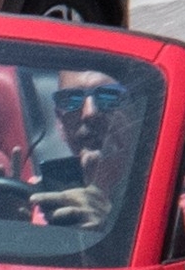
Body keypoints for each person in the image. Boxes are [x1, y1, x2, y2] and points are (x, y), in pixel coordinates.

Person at [30, 71, 141, 230]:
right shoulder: (34, 195)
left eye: (109, 96)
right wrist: (1, 222)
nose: (89, 113)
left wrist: (112, 226)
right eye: (71, 100)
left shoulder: (176, 203)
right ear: (60, 124)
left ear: (137, 112)